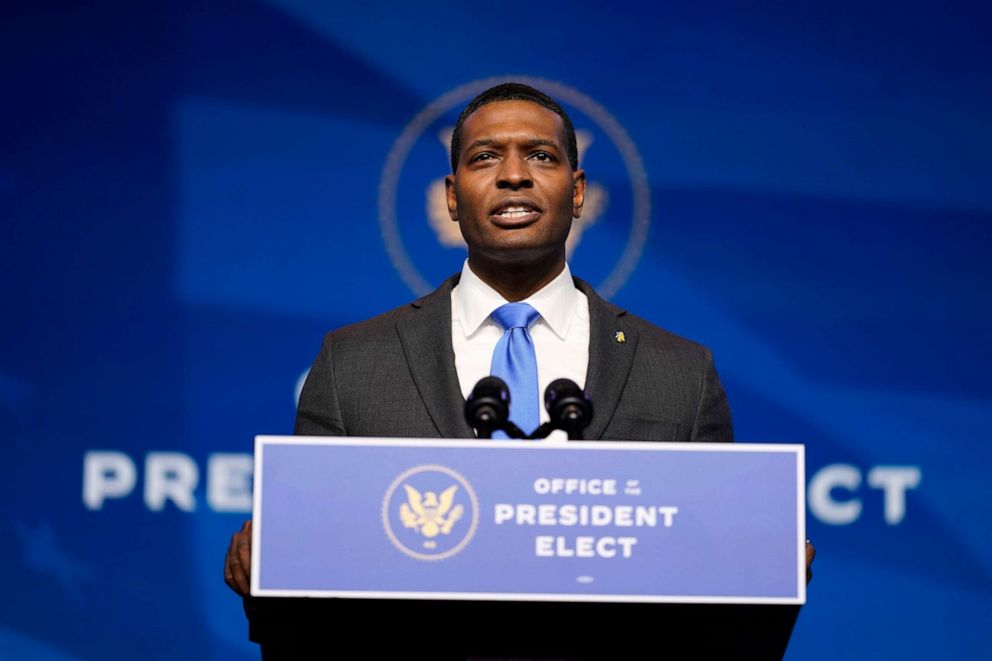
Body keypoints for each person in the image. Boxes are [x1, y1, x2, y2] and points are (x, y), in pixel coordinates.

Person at [224, 82, 814, 652]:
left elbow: (708, 586)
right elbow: (310, 589)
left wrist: (762, 577)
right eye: (485, 157)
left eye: (540, 155)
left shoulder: (681, 373)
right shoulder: (353, 362)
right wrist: (268, 571)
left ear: (577, 191)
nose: (513, 174)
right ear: (452, 196)